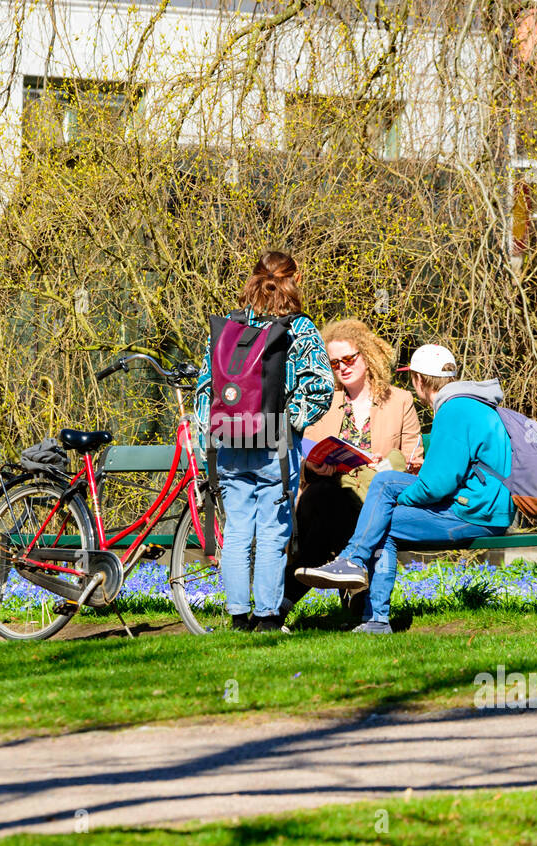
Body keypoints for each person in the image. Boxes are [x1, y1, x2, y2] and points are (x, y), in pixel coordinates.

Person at [294, 344, 516, 633]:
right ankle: (365, 593)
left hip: (474, 514)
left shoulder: (453, 411)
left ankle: (368, 599)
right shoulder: (471, 404)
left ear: (419, 380)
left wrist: (403, 500)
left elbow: (437, 486)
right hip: (486, 508)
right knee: (385, 502)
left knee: (384, 504)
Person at [195, 251, 333, 632]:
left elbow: (206, 388)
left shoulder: (231, 326)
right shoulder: (299, 329)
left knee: (238, 529)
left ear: (253, 280)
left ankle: (239, 617)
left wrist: (216, 428)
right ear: (296, 279)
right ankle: (268, 616)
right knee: (273, 529)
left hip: (230, 440)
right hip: (276, 441)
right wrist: (292, 422)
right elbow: (320, 386)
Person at [283, 318, 424, 615]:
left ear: (367, 355)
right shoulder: (323, 404)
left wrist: (395, 462)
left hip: (373, 499)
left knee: (334, 522)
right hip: (324, 493)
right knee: (326, 497)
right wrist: (314, 467)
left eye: (349, 358)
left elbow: (415, 460)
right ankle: (358, 590)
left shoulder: (399, 401)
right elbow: (307, 454)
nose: (342, 367)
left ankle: (282, 604)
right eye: (334, 363)